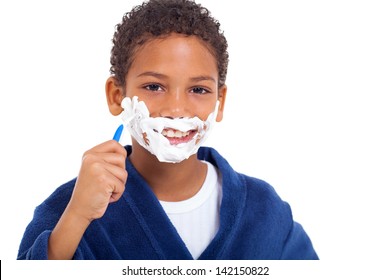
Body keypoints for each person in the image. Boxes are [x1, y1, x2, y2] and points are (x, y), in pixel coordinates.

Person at [17, 0, 318, 260]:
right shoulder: (71, 207)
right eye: (154, 86)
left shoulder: (263, 210)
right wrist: (77, 215)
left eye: (198, 89)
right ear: (116, 95)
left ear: (220, 101)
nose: (176, 109)